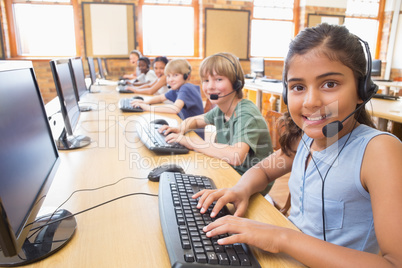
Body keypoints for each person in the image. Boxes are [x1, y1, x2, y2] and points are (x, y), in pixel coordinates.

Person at [193, 24, 402, 267]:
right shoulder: (306, 138)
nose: (311, 101)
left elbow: (394, 262)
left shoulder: (378, 152)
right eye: (298, 87)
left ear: (361, 91)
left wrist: (281, 238)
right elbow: (263, 170)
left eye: (330, 84)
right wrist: (241, 189)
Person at [160, 53, 273, 185]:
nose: (210, 87)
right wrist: (180, 128)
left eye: (218, 79)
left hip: (249, 181)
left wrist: (190, 142)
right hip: (229, 170)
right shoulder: (221, 109)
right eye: (206, 81)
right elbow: (196, 120)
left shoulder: (246, 113)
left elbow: (236, 156)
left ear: (236, 83)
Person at [130, 58, 204, 137]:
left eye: (175, 75)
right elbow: (161, 98)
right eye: (168, 76)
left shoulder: (186, 88)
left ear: (186, 76)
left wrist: (148, 108)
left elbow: (175, 109)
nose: (170, 79)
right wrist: (145, 102)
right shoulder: (177, 88)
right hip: (184, 128)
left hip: (194, 135)